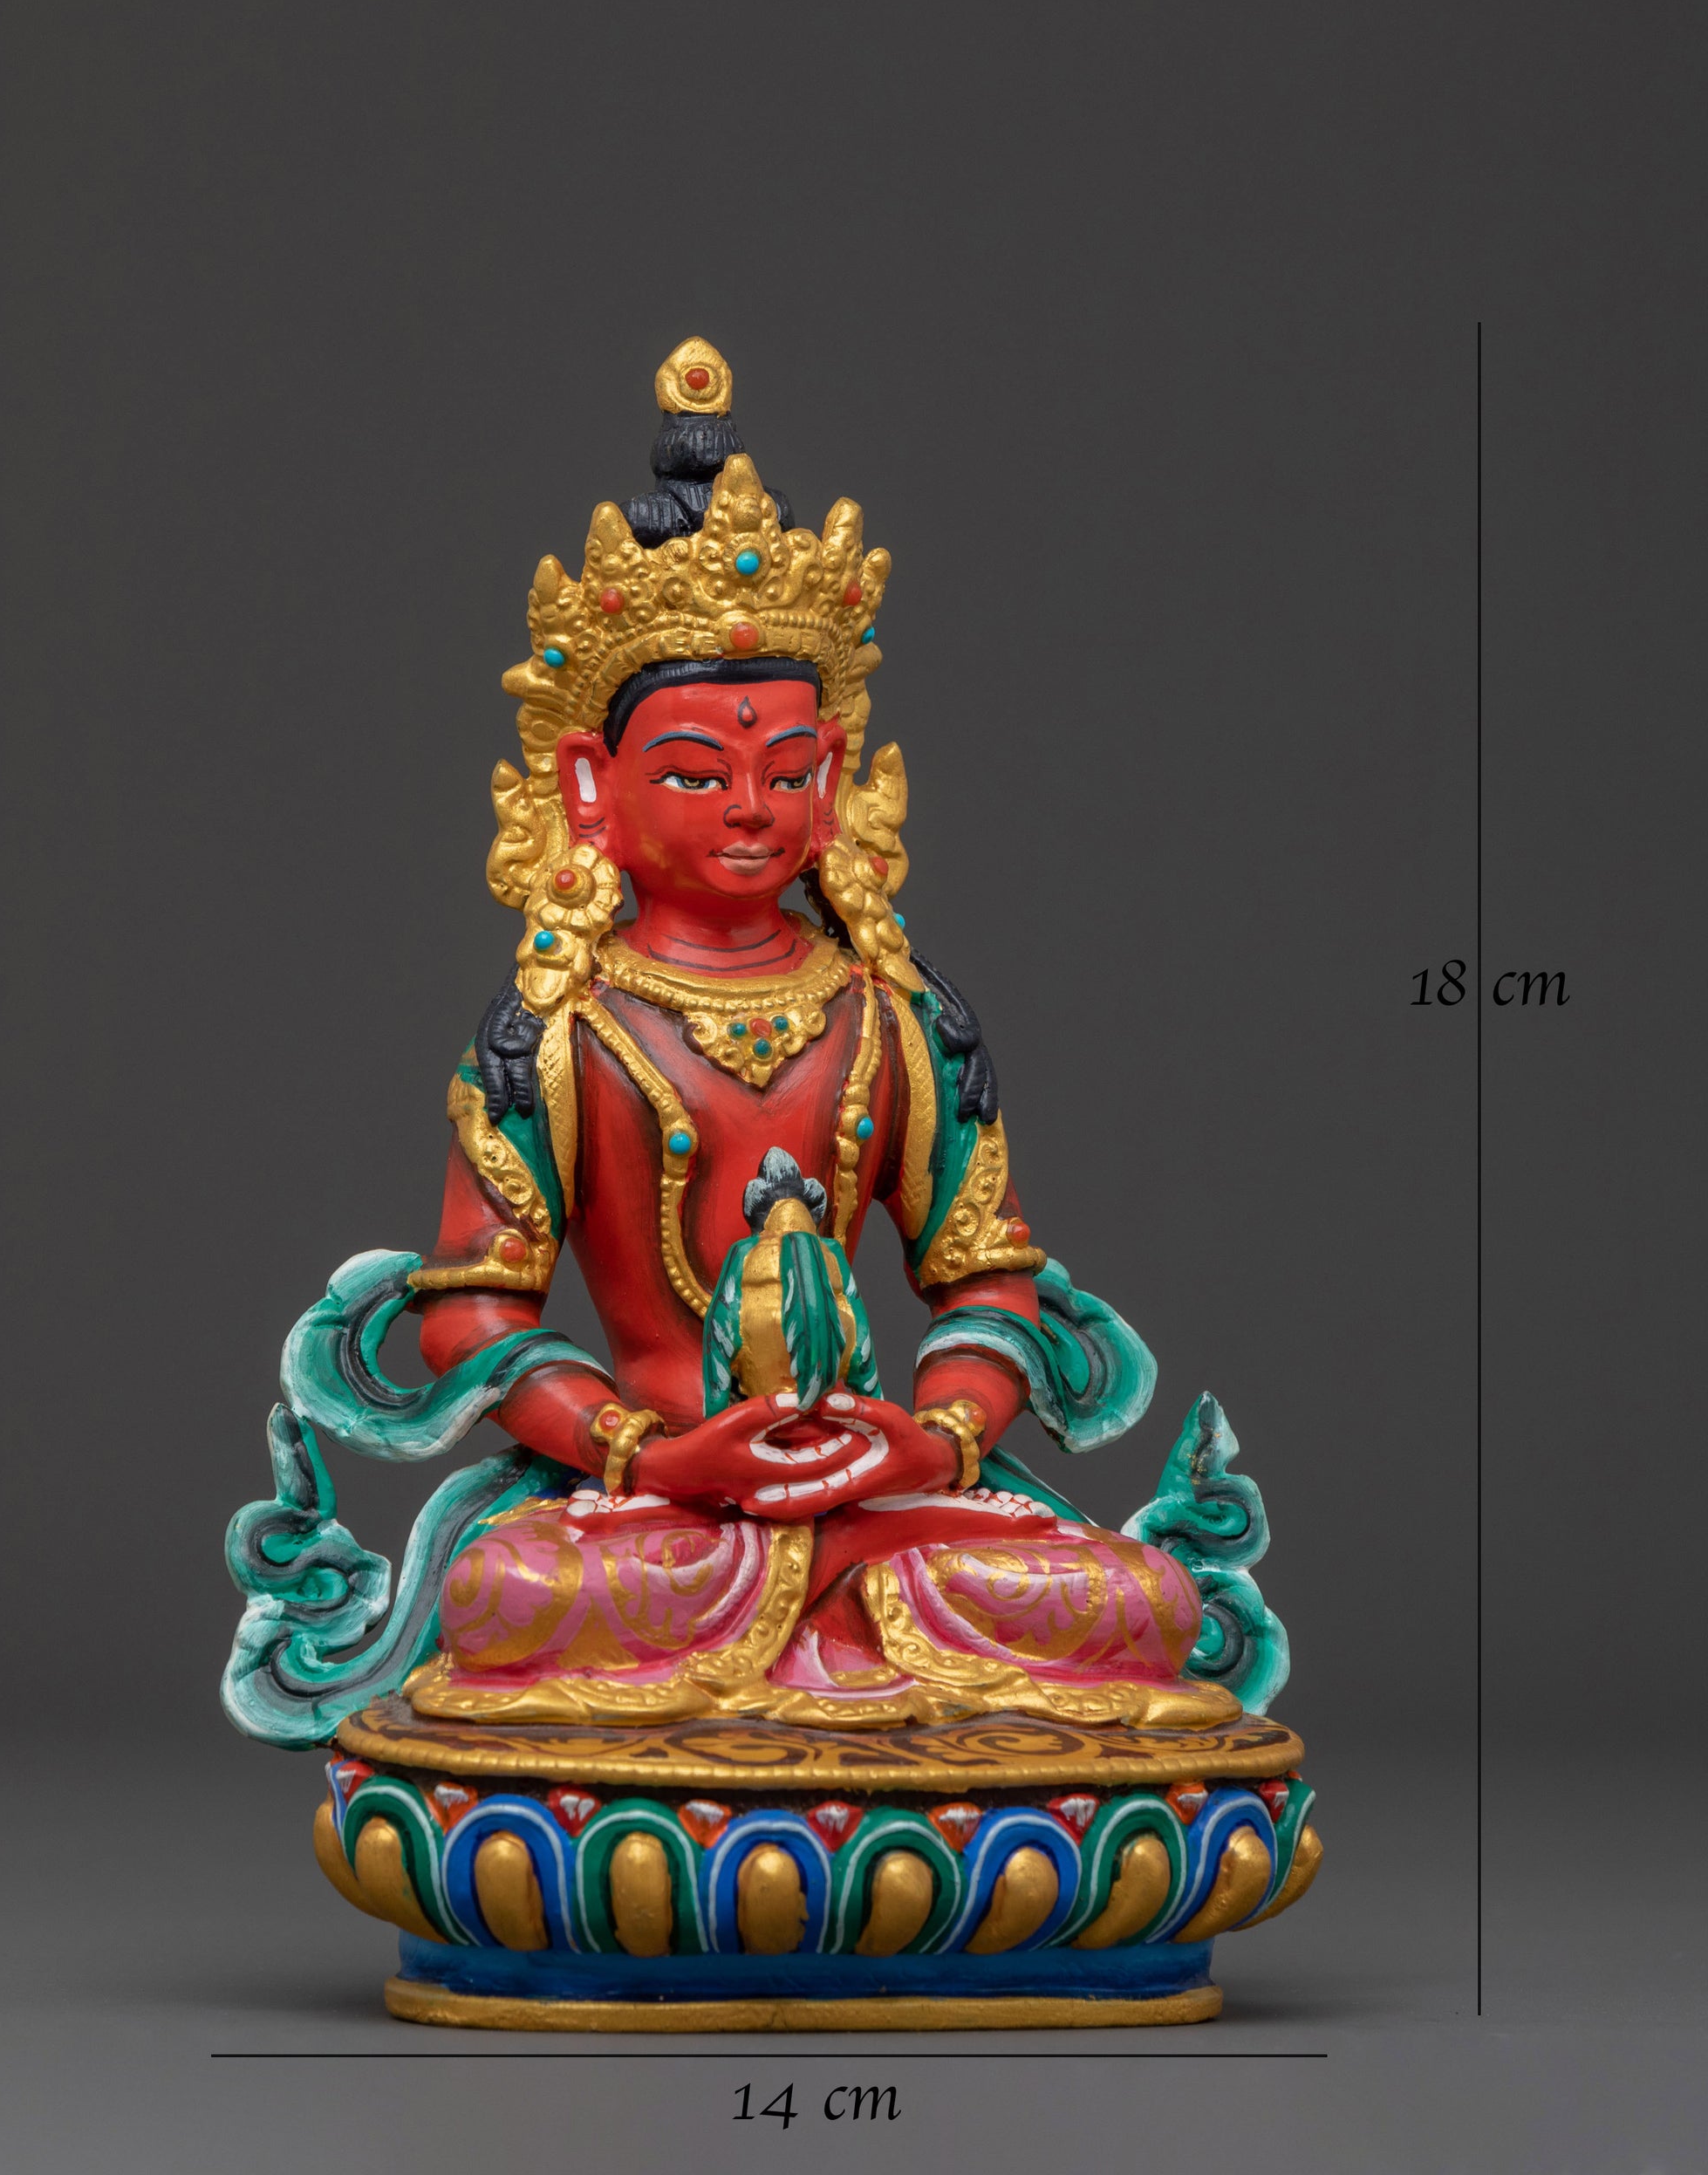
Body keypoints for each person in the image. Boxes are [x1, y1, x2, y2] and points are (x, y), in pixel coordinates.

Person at [398, 339, 1233, 1733]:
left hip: (884, 1495)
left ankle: (833, 1636)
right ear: (591, 788)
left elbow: (988, 1282)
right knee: (509, 1590)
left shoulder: (897, 1015)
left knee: (1142, 1601)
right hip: (658, 1512)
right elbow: (470, 1314)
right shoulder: (556, 1031)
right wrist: (645, 1456)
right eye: (696, 773)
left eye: (786, 772)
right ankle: (844, 1666)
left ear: (834, 779)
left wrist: (938, 1438)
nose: (750, 808)